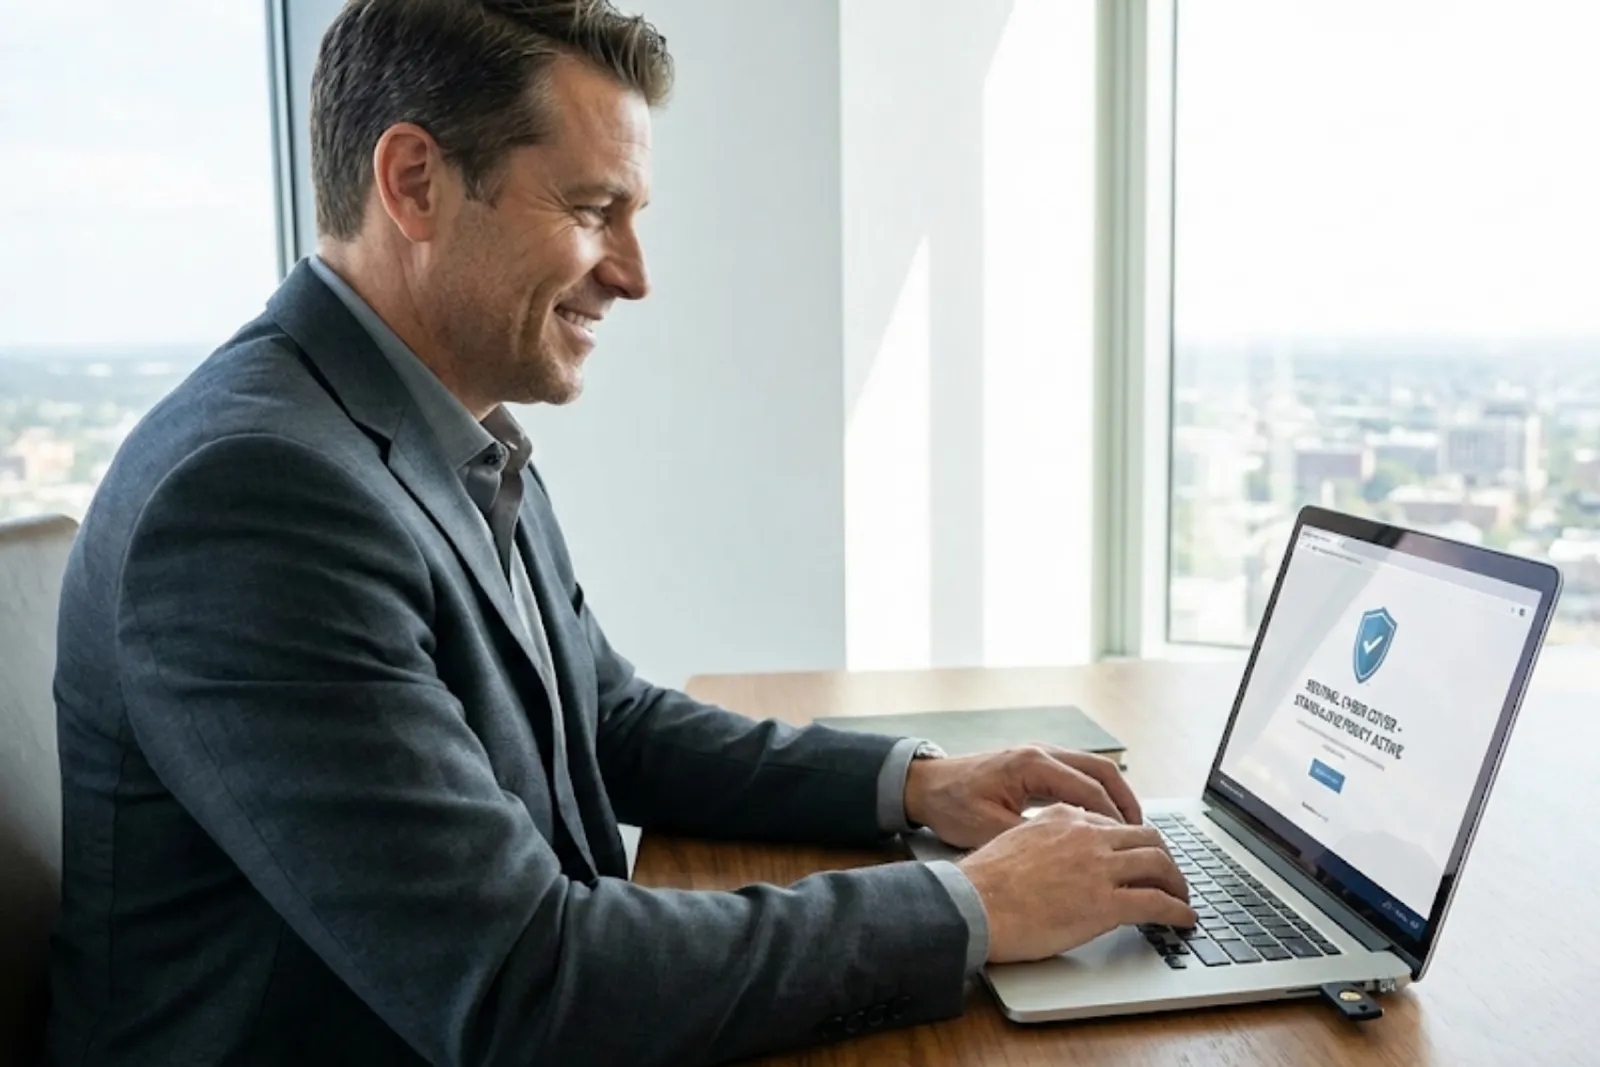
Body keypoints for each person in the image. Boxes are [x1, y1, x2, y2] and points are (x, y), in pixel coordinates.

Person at [43, 2, 1194, 1064]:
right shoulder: (256, 496)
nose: (635, 276)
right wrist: (977, 904)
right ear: (415, 182)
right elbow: (519, 982)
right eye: (595, 211)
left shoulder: (435, 423)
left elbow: (605, 720)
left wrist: (919, 783)